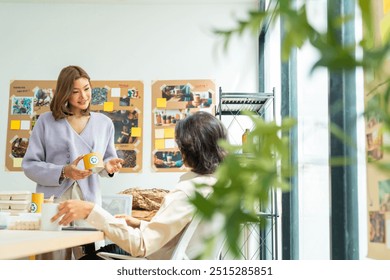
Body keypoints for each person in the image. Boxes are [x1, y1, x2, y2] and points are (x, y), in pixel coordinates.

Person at [51, 111, 228, 259]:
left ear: (189, 150)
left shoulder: (187, 192)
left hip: (149, 262)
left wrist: (92, 211)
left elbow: (142, 245)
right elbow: (178, 237)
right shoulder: (217, 186)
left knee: (87, 260)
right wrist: (139, 224)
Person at [22, 65, 124, 258]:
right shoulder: (45, 122)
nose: (83, 96)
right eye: (75, 91)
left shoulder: (104, 123)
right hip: (55, 202)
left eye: (86, 89)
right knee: (52, 262)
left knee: (90, 260)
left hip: (88, 203)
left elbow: (107, 160)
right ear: (64, 94)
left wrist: (109, 167)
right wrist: (64, 171)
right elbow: (30, 165)